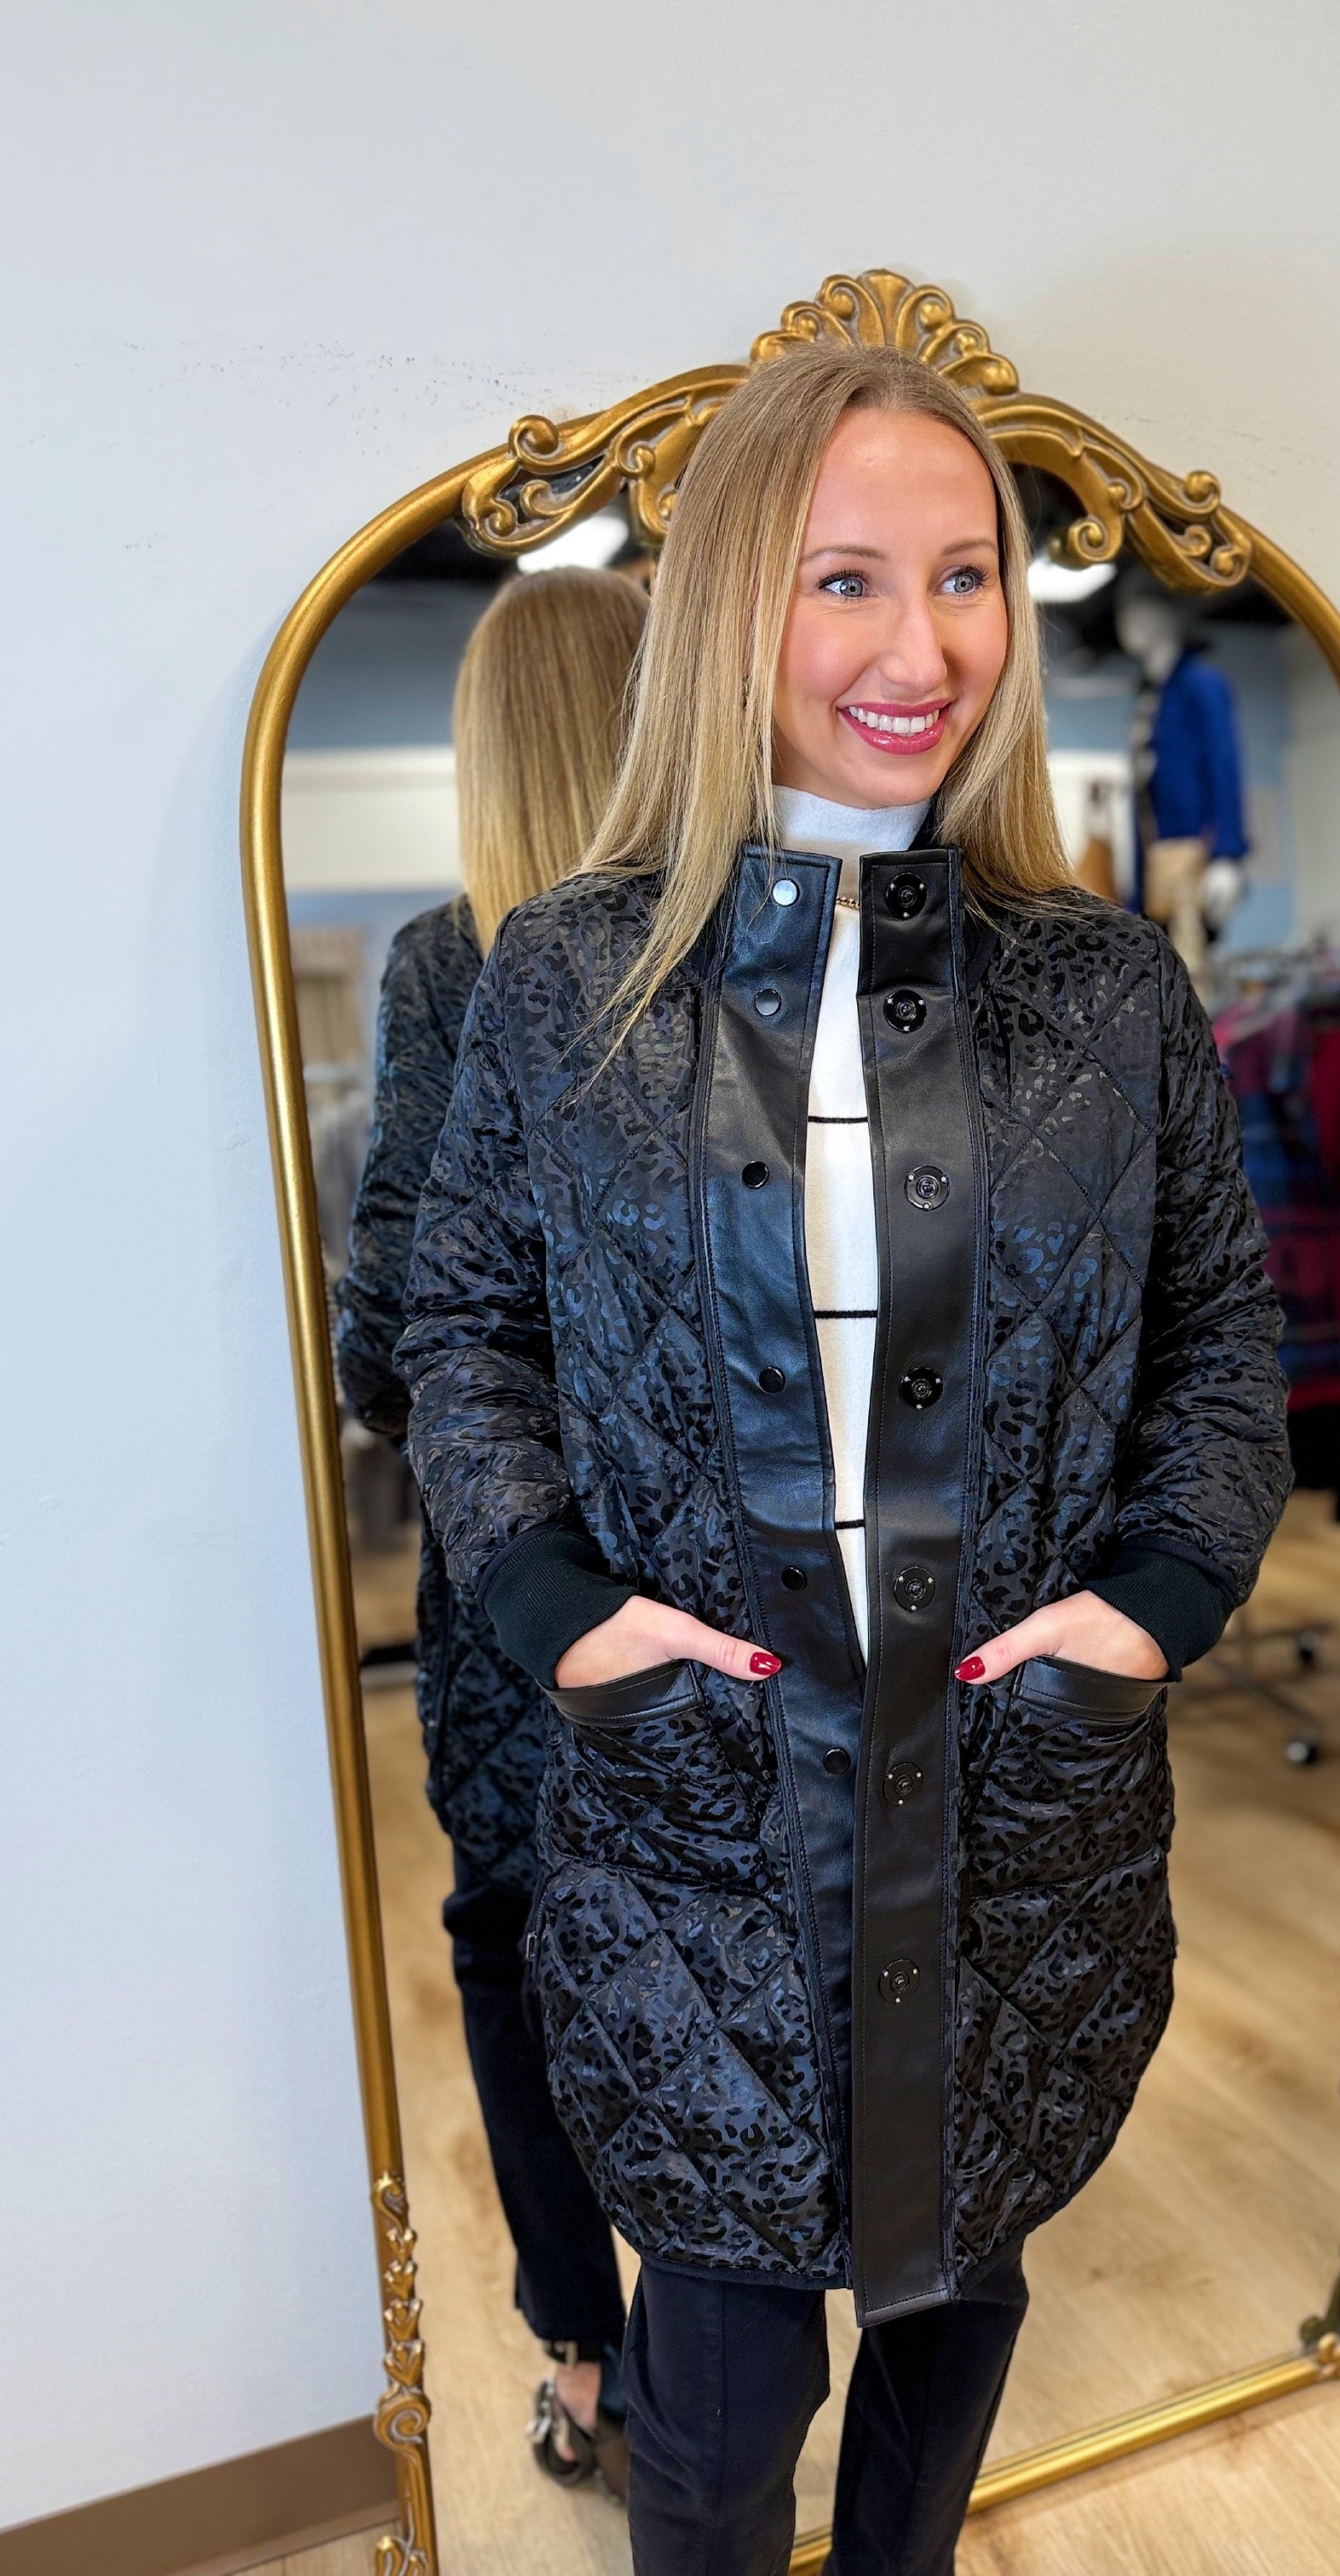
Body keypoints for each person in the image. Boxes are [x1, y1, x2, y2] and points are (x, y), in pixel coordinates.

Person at [399, 346, 1290, 2576]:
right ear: (730, 606)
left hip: (1015, 1818)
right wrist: (563, 1616)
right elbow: (468, 1329)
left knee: (951, 2343)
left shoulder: (1109, 990)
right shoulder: (571, 982)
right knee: (715, 2441)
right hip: (700, 1830)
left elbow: (1219, 1344)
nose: (925, 647)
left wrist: (1146, 1612)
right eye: (848, 580)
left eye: (969, 576)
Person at [336, 563, 648, 2500]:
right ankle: (727, 2336)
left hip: (518, 1596)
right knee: (720, 1959)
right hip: (720, 1573)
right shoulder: (741, 946)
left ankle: (584, 2355)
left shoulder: (450, 967)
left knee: (516, 1954)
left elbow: (390, 1333)